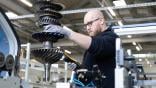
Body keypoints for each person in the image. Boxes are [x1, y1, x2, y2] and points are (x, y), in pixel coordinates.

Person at [45, 10, 119, 88]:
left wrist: (68, 33)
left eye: (90, 24)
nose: (88, 28)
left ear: (101, 21)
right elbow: (87, 75)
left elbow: (98, 46)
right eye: (86, 25)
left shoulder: (112, 38)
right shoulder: (91, 47)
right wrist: (78, 68)